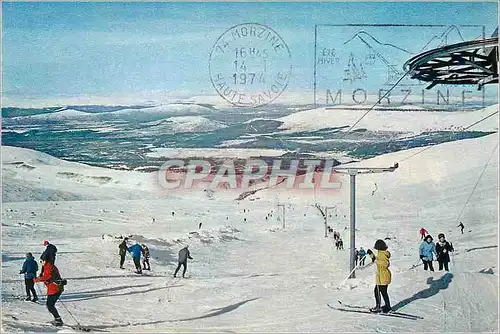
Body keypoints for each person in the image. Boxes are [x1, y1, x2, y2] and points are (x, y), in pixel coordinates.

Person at [34, 260, 66, 327]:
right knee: (50, 305)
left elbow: (47, 277)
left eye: (41, 261)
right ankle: (58, 319)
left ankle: (58, 320)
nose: (41, 262)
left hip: (54, 289)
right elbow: (48, 278)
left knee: (50, 305)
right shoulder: (49, 266)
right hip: (54, 288)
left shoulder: (48, 266)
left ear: (45, 260)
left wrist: (38, 279)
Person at [370, 239, 392, 313]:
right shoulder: (381, 253)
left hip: (383, 276)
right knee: (382, 292)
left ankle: (379, 306)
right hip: (383, 276)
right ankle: (387, 306)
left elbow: (386, 263)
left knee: (378, 291)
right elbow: (377, 260)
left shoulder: (382, 254)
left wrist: (376, 261)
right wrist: (371, 255)